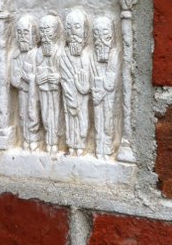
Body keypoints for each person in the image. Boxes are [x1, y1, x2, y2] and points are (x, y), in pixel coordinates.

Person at [60, 10, 91, 156]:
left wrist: (83, 87)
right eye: (69, 27)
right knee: (70, 121)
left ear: (85, 31)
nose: (73, 32)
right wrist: (71, 91)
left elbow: (88, 82)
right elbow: (64, 78)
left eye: (77, 27)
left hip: (82, 98)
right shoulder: (63, 54)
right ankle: (72, 145)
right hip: (69, 96)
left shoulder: (87, 56)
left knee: (82, 124)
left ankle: (81, 144)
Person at [10, 15, 41, 151]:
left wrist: (30, 78)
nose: (22, 36)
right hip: (23, 91)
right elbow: (13, 78)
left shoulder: (37, 54)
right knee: (23, 115)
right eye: (20, 33)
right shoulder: (16, 55)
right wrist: (18, 79)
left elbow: (40, 74)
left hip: (35, 93)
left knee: (33, 114)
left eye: (26, 32)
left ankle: (34, 140)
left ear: (34, 35)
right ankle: (25, 139)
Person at [91, 16, 120, 160]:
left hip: (108, 96)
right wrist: (94, 90)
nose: (100, 40)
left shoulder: (115, 54)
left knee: (107, 122)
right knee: (98, 122)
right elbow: (91, 75)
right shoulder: (93, 56)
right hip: (97, 95)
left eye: (105, 35)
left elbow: (110, 82)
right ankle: (99, 148)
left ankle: (107, 149)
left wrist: (99, 94)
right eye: (96, 35)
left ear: (111, 36)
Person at [35, 14, 64, 155]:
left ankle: (55, 142)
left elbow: (65, 71)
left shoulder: (60, 51)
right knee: (46, 115)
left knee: (56, 115)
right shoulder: (39, 52)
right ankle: (48, 141)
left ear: (55, 32)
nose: (45, 33)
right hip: (43, 90)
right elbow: (34, 69)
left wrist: (57, 77)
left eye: (48, 29)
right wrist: (38, 77)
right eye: (42, 29)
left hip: (56, 91)